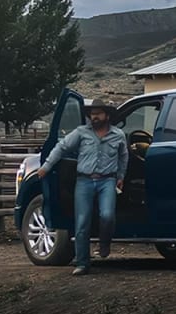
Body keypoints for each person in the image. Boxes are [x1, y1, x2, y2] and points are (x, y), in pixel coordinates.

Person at [36, 98, 127, 275]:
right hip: (84, 181)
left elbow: (123, 157)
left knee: (107, 215)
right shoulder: (81, 133)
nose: (95, 117)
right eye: (92, 114)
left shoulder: (118, 135)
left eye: (98, 114)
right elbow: (61, 147)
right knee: (82, 222)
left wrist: (121, 176)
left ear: (107, 115)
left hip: (107, 180)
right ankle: (83, 263)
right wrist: (46, 166)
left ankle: (104, 242)